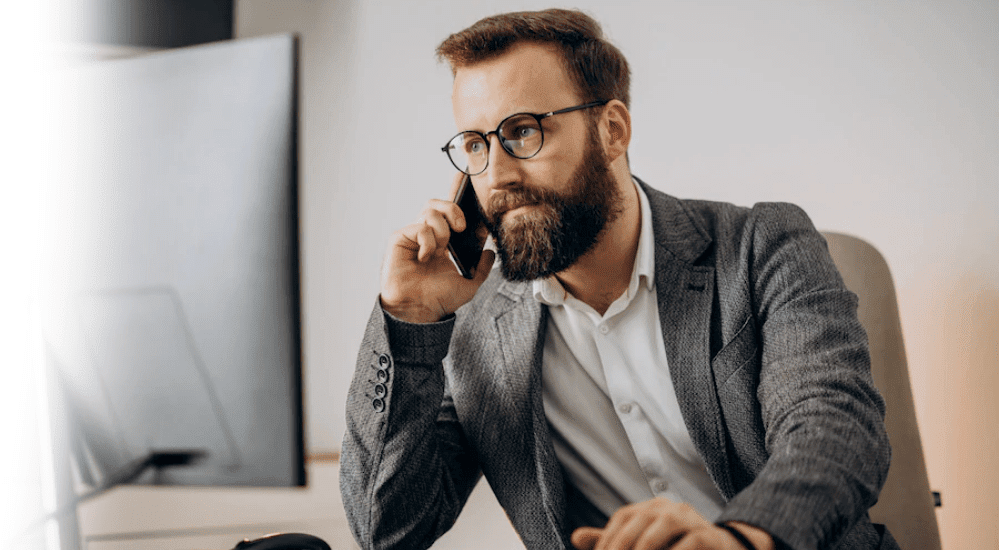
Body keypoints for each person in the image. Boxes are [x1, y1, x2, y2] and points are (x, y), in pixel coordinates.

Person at [340, 8, 897, 550]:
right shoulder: (471, 323)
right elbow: (388, 530)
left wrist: (739, 540)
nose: (498, 175)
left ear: (611, 130)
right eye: (476, 145)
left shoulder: (760, 245)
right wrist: (410, 321)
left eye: (523, 132)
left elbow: (833, 425)